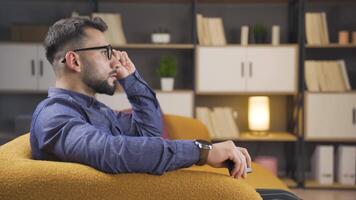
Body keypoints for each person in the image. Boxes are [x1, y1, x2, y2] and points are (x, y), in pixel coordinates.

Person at [30, 17, 251, 179]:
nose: (114, 61)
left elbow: (150, 132)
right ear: (74, 61)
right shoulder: (55, 116)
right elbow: (113, 153)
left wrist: (131, 79)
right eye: (106, 52)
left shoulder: (93, 109)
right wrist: (202, 151)